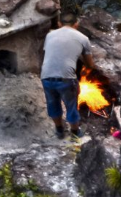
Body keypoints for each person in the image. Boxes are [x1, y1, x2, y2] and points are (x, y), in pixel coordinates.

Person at [40, 12, 95, 140]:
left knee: (52, 103)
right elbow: (90, 64)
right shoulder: (83, 38)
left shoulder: (49, 35)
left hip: (46, 76)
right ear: (76, 24)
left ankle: (59, 130)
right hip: (66, 78)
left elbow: (50, 53)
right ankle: (75, 132)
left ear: (59, 24)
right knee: (71, 105)